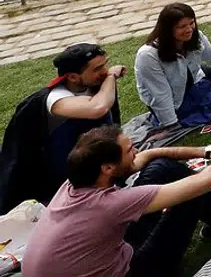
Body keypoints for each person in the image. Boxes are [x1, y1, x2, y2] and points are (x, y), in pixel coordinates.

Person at [22, 126, 211, 277]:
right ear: (108, 168)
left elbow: (149, 155)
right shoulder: (111, 204)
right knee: (195, 190)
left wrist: (207, 152)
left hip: (102, 257)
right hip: (133, 272)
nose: (136, 151)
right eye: (129, 150)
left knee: (160, 167)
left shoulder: (74, 183)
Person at [0, 43, 123, 212]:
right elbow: (97, 108)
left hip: (98, 163)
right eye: (97, 69)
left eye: (105, 65)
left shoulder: (93, 86)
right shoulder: (56, 99)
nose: (104, 71)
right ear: (73, 77)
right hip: (65, 179)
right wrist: (111, 77)